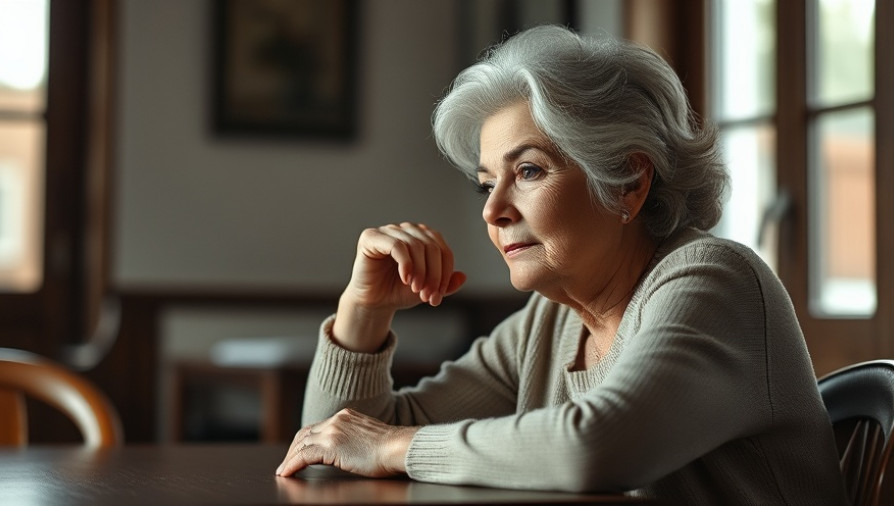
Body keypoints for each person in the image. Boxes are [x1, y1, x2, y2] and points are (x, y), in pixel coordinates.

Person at [275, 25, 847, 504]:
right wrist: (364, 310)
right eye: (485, 186)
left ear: (627, 183)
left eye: (528, 171)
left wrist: (393, 448)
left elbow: (597, 447)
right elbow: (334, 445)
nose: (494, 211)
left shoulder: (714, 281)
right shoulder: (550, 321)